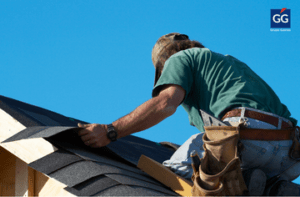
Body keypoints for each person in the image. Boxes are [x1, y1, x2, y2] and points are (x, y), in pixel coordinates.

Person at [78, 33, 300, 195]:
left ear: (164, 64)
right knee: (248, 185)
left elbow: (165, 103)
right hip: (288, 154)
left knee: (179, 167)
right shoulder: (230, 66)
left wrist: (110, 131)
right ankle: (272, 189)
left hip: (247, 136)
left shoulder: (180, 58)